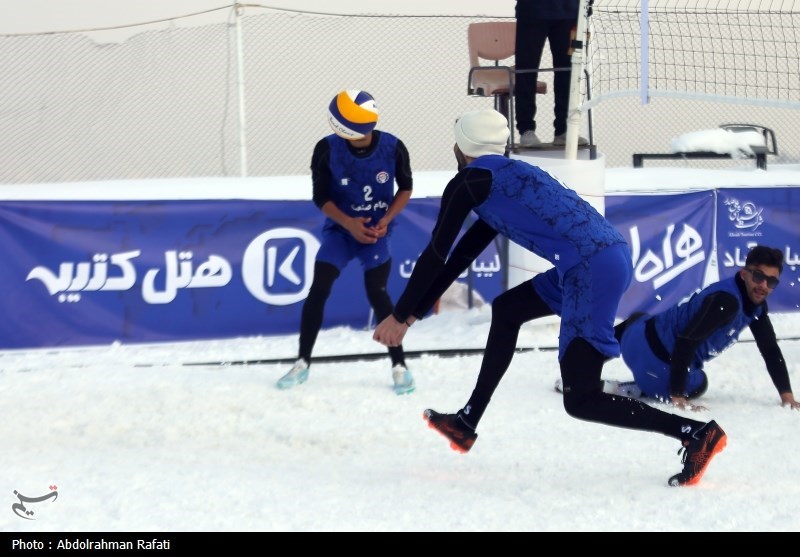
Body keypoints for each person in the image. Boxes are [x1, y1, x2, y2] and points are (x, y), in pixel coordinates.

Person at [373, 108, 727, 486]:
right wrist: (411, 316)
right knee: (508, 310)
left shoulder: (467, 182)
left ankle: (694, 434)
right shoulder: (511, 173)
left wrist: (399, 314)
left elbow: (436, 255)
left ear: (460, 147)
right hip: (604, 257)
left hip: (587, 269)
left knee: (581, 398)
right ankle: (467, 421)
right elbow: (462, 255)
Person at [277, 89, 416, 395]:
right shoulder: (326, 149)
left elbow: (405, 188)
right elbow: (321, 197)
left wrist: (386, 219)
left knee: (378, 293)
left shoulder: (392, 147)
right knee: (319, 288)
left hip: (376, 232)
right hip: (341, 231)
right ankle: (302, 362)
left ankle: (400, 366)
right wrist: (349, 223)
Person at [581, 245, 799, 411]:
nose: (763, 286)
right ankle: (640, 388)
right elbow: (687, 341)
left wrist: (786, 395)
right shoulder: (728, 302)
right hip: (657, 369)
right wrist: (678, 395)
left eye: (771, 282)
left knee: (639, 318)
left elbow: (770, 350)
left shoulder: (753, 305)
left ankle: (583, 364)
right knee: (699, 383)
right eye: (759, 277)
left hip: (634, 341)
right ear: (744, 274)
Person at [514, 0, 588, 147]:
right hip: (532, 11)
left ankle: (564, 130)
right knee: (526, 72)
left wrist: (585, 6)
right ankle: (526, 130)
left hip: (570, 13)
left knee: (567, 73)